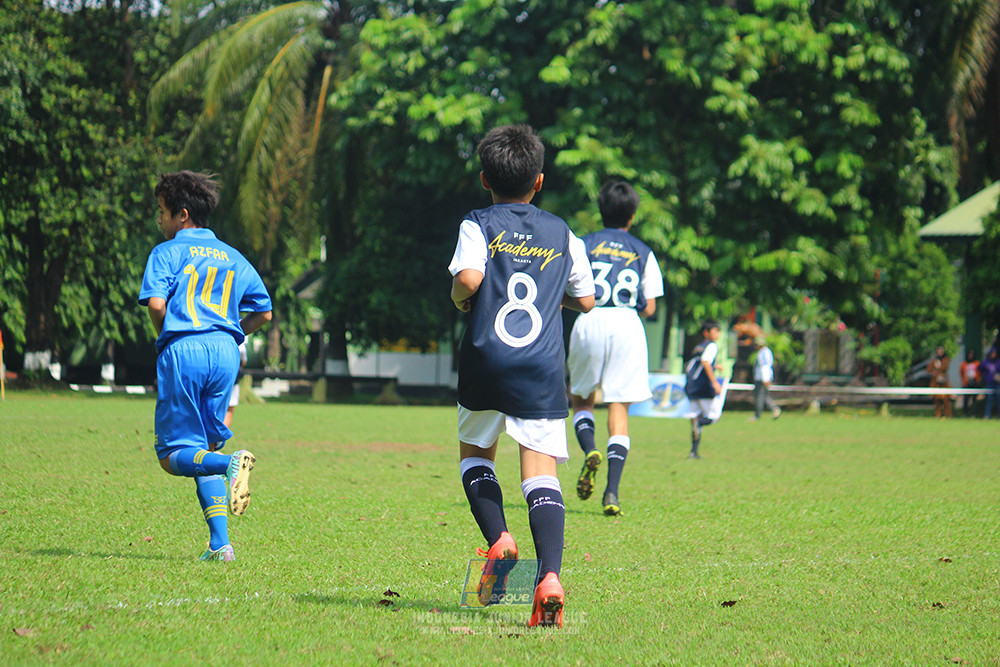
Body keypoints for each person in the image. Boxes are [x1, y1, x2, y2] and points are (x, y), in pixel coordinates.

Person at [448, 125, 595, 628]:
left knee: (475, 458)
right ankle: (549, 578)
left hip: (487, 360)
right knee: (540, 473)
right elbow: (587, 298)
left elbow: (468, 279)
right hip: (541, 366)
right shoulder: (562, 232)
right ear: (539, 181)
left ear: (485, 178)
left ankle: (500, 540)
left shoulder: (478, 221)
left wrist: (460, 297)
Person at [139, 171, 273, 563]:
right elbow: (264, 313)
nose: (159, 220)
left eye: (161, 212)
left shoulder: (167, 252)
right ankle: (220, 545)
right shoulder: (233, 256)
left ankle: (231, 464)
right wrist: (232, 334)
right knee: (204, 447)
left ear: (182, 215)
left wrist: (169, 340)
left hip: (184, 348)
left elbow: (156, 305)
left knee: (172, 455)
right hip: (225, 352)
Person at [567, 181, 664, 517]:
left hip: (590, 318)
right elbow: (650, 307)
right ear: (633, 216)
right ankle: (612, 491)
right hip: (626, 324)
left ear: (601, 210)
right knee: (618, 408)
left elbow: (569, 287)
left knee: (581, 399)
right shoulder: (643, 251)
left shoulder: (583, 244)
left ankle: (590, 449)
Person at [685, 320, 724, 459]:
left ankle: (693, 452)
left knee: (695, 415)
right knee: (714, 416)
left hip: (691, 385)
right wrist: (714, 382)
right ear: (706, 333)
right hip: (703, 386)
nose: (718, 334)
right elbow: (705, 362)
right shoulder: (712, 346)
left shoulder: (699, 347)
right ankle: (698, 424)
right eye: (715, 331)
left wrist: (716, 366)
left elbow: (696, 363)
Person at [750, 337, 781, 421]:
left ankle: (758, 415)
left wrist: (765, 379)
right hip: (763, 377)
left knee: (759, 397)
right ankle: (775, 409)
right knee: (764, 396)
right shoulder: (766, 352)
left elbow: (764, 367)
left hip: (762, 378)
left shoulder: (763, 353)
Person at [224, 341, 248, 429]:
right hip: (232, 379)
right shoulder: (240, 344)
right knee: (229, 410)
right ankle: (218, 440)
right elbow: (244, 361)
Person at [927, 346, 952, 419]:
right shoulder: (935, 360)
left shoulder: (945, 359)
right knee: (937, 400)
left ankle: (947, 414)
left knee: (946, 399)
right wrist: (933, 371)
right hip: (936, 383)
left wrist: (936, 370)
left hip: (944, 382)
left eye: (941, 352)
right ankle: (937, 415)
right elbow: (928, 368)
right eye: (938, 352)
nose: (939, 353)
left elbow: (944, 367)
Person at [980, 347, 1000, 419]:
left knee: (999, 399)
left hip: (997, 383)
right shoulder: (986, 362)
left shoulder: (998, 362)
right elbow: (980, 368)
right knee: (989, 399)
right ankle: (987, 415)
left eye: (994, 353)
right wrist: (985, 376)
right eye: (992, 353)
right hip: (989, 383)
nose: (993, 355)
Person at [960, 349, 981, 417]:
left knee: (974, 399)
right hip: (967, 382)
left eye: (972, 355)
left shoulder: (977, 363)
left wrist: (977, 380)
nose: (970, 356)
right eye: (969, 355)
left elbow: (979, 372)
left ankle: (974, 414)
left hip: (975, 382)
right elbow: (961, 373)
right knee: (966, 399)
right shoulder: (964, 364)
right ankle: (965, 413)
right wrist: (964, 380)